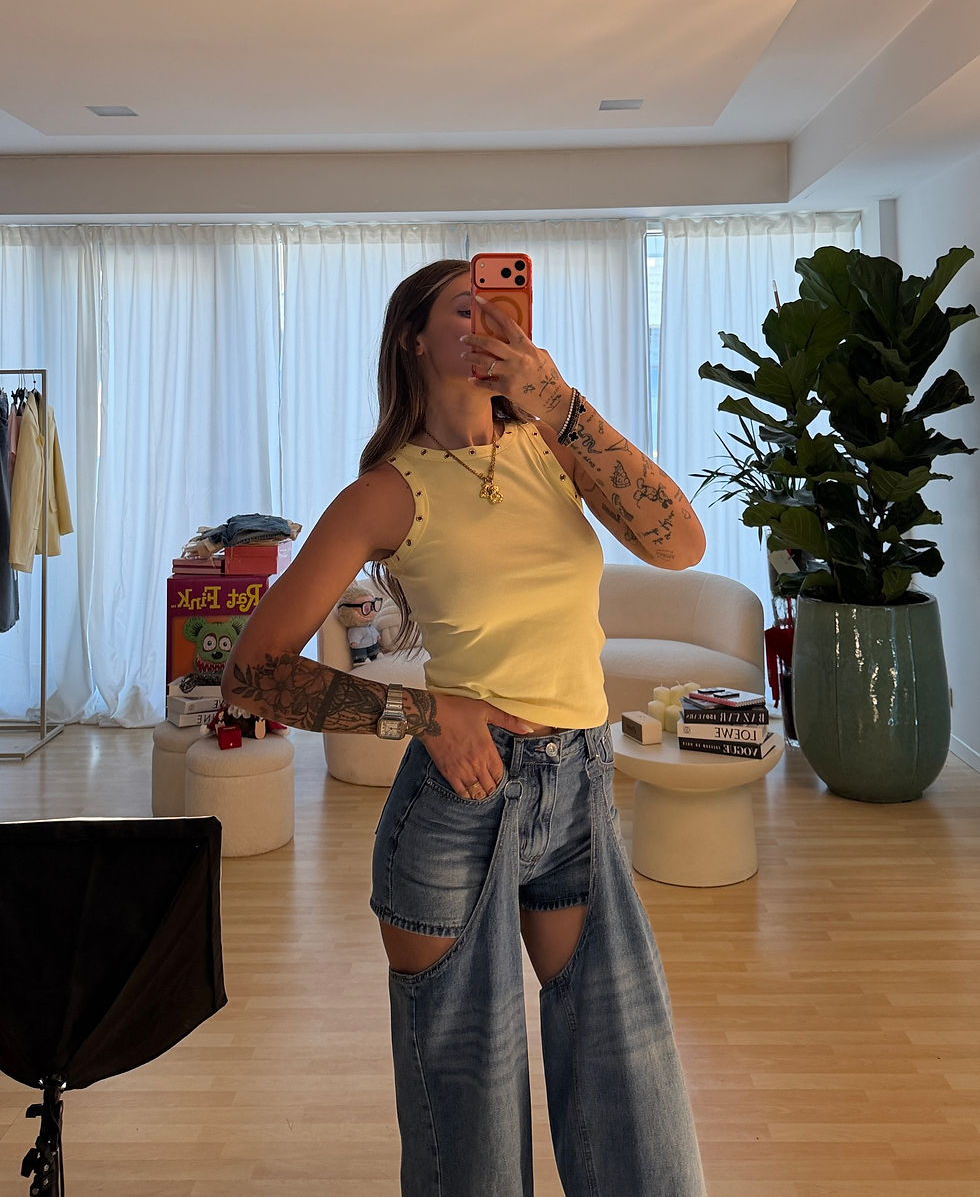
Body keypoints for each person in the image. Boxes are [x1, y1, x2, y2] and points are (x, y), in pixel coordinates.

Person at [223, 258, 708, 1196]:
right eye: (464, 308)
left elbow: (680, 544)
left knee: (632, 1093)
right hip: (457, 806)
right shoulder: (387, 492)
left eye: (501, 308)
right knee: (472, 1124)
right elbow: (253, 670)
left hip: (579, 789)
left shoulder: (550, 446)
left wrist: (555, 398)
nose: (488, 322)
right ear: (415, 338)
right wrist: (421, 712)